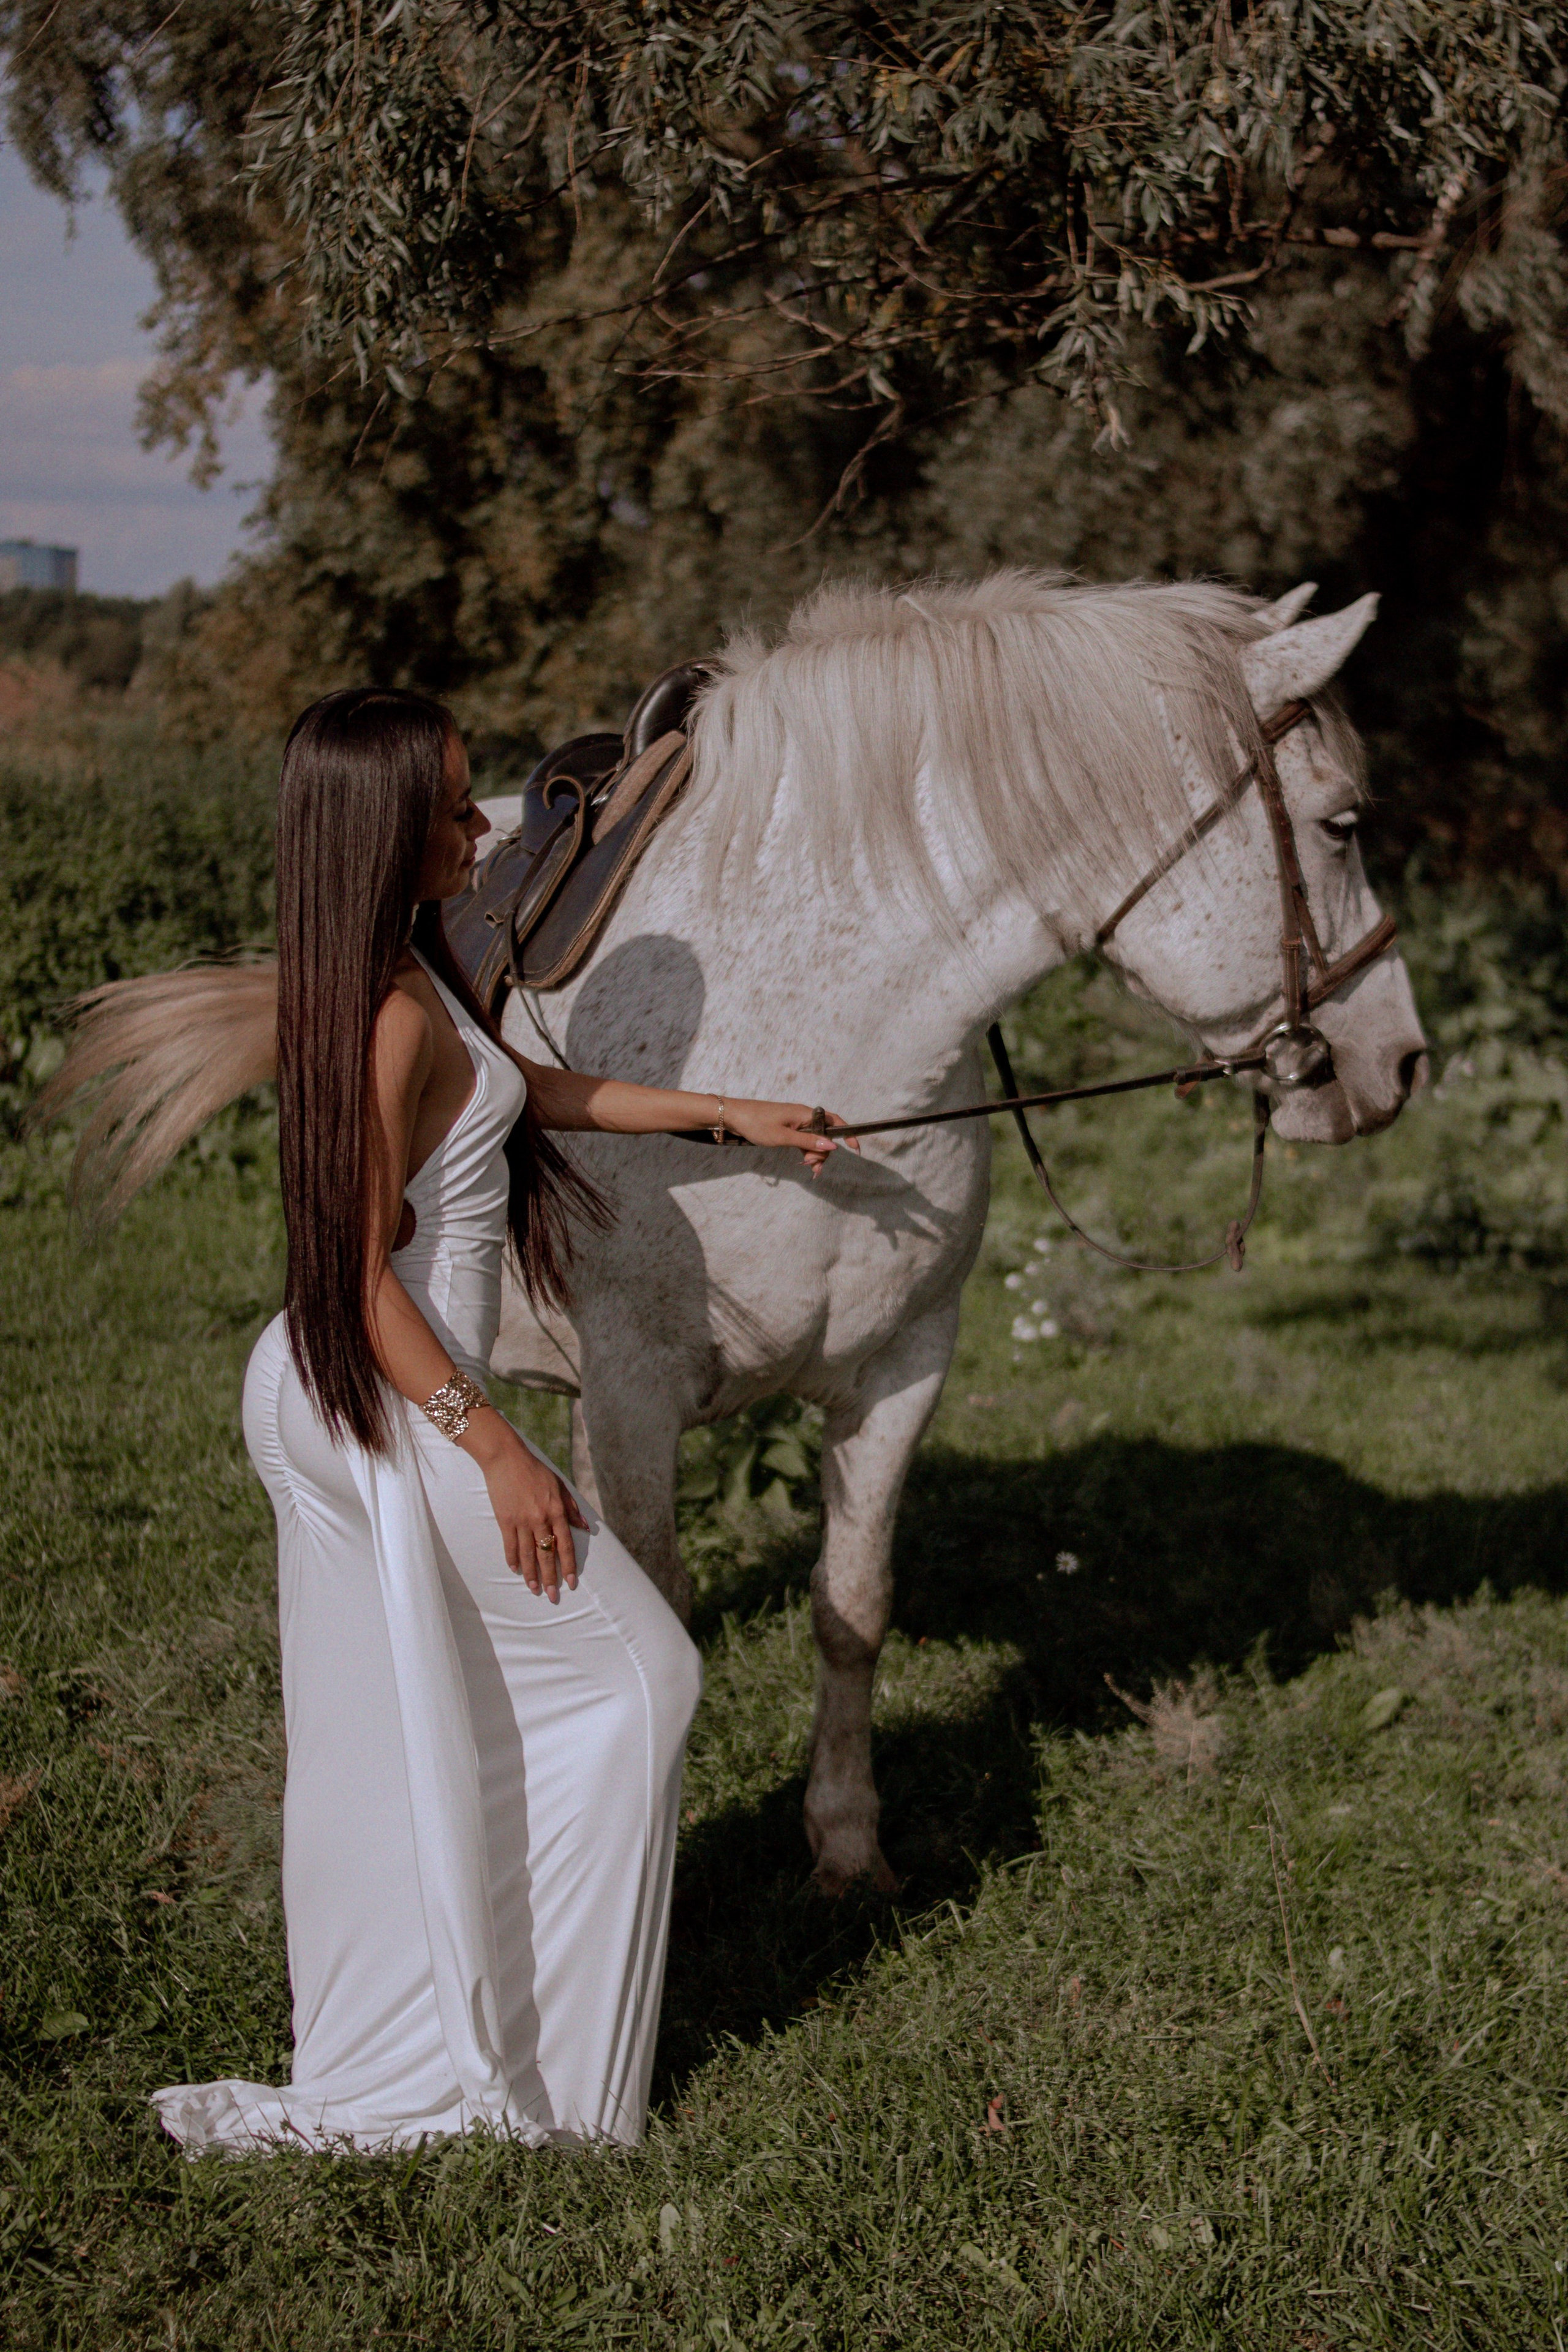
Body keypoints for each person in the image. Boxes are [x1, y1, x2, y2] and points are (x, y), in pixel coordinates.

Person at [40, 686, 852, 2155]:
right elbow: (353, 1284)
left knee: (471, 1714)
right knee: (640, 1680)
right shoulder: (374, 1024)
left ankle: (509, 2049)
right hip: (374, 1394)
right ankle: (517, 2075)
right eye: (449, 807)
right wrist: (497, 1447)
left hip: (392, 1390)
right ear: (377, 828)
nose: (478, 830)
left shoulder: (418, 984)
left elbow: (519, 1093)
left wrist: (729, 1113)